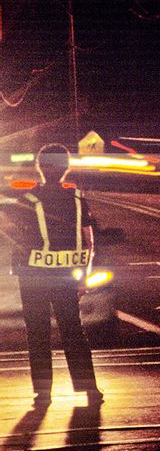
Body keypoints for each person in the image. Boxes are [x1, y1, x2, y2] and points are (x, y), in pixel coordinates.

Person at [0, 143, 102, 406]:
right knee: (73, 331)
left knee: (38, 333)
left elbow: (11, 233)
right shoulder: (78, 201)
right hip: (66, 277)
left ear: (39, 168)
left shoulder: (28, 201)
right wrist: (83, 279)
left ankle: (43, 394)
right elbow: (89, 243)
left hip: (33, 277)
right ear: (66, 168)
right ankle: (90, 389)